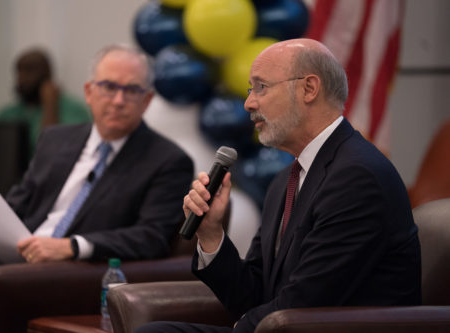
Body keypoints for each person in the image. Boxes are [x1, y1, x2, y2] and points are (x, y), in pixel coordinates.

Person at [136, 38, 421, 332]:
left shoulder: (358, 177)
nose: (248, 102)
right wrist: (210, 234)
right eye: (250, 89)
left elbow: (304, 305)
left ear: (309, 88)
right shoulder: (287, 179)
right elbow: (253, 296)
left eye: (260, 87)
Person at [0, 44, 193, 333]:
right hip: (16, 255)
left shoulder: (167, 160)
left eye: (131, 90)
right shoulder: (56, 139)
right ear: (89, 92)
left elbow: (151, 236)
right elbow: (22, 200)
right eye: (108, 87)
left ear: (147, 100)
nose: (118, 100)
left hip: (73, 272)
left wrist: (72, 246)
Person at [0, 48, 91, 154]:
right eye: (19, 71)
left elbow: (52, 152)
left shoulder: (73, 110)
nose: (22, 78)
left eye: (29, 71)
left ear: (47, 74)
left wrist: (50, 106)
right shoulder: (8, 114)